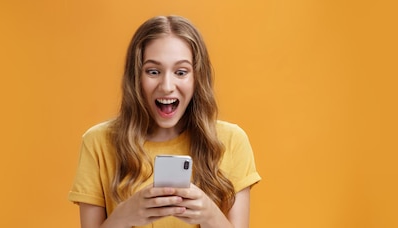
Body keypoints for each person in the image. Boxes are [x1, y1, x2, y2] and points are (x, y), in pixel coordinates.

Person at [68, 15, 261, 228]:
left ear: (197, 77)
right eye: (153, 71)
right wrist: (124, 216)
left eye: (181, 72)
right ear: (135, 77)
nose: (167, 86)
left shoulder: (232, 141)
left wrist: (209, 216)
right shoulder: (98, 143)